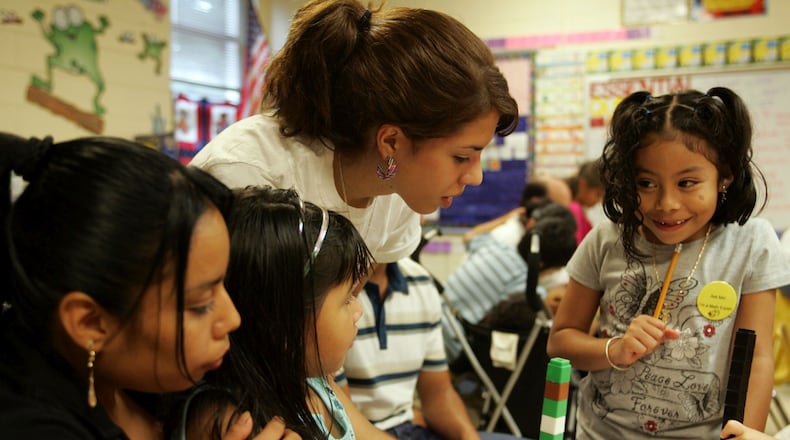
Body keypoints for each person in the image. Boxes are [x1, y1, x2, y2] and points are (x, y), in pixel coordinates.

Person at [190, 0, 518, 263]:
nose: (475, 177)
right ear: (391, 141)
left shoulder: (395, 189)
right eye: (462, 156)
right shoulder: (247, 173)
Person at [0, 134, 281, 439]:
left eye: (221, 286)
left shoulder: (137, 383)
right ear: (90, 322)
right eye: (200, 304)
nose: (232, 318)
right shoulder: (28, 424)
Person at [547, 88, 790, 439]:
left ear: (724, 175)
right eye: (646, 183)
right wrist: (614, 349)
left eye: (687, 183)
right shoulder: (606, 241)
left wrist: (744, 432)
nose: (667, 203)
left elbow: (755, 359)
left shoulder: (750, 244)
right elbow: (560, 342)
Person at [174, 186, 392, 439]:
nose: (358, 311)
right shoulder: (229, 420)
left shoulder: (318, 384)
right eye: (347, 299)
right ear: (284, 322)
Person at [336, 259, 521, 440]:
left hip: (409, 428)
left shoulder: (420, 280)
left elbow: (438, 393)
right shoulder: (332, 284)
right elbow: (340, 417)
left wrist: (469, 436)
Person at [443, 201, 578, 362]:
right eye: (556, 269)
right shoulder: (528, 290)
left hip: (436, 314)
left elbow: (470, 238)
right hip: (453, 343)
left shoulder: (495, 245)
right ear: (542, 263)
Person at [567, 159, 605, 244]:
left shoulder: (579, 210)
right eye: (598, 194)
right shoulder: (574, 209)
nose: (599, 201)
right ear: (582, 185)